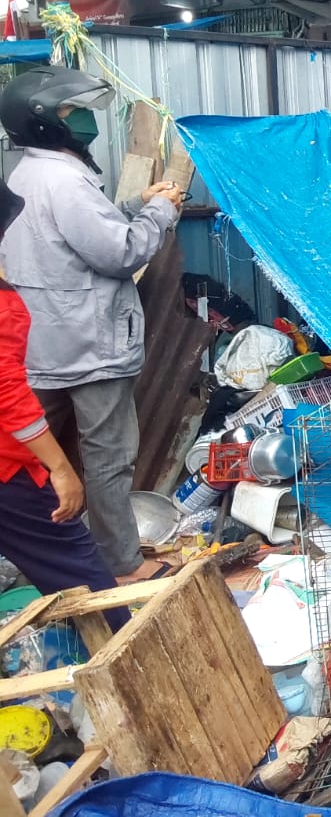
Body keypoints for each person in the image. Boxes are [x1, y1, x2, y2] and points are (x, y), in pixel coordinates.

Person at [0, 67, 182, 583]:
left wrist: (135, 204)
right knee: (107, 459)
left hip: (43, 344)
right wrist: (160, 213)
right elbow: (119, 253)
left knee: (26, 456)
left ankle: (41, 560)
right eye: (69, 109)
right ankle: (123, 566)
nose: (81, 117)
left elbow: (76, 231)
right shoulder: (65, 179)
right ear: (44, 121)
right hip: (91, 343)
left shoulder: (25, 173)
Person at [0, 179, 130, 630]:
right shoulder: (3, 306)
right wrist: (58, 467)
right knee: (80, 570)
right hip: (8, 471)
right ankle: (132, 653)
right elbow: (8, 395)